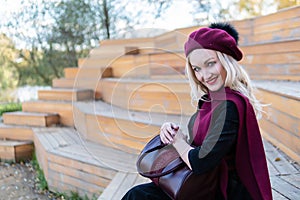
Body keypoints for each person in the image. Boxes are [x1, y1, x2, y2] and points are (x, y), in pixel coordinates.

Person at [122, 22, 272, 200]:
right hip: (202, 183)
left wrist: (178, 142)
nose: (205, 75)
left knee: (139, 197)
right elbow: (200, 145)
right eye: (197, 69)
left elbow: (200, 162)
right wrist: (173, 134)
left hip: (220, 190)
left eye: (210, 64)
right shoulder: (211, 101)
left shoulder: (229, 105)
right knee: (138, 194)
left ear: (226, 61)